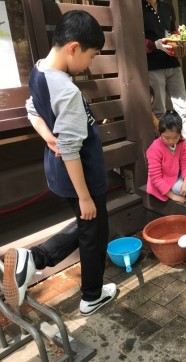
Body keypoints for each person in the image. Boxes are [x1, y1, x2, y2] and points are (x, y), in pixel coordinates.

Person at [3, 10, 117, 315]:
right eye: (91, 56)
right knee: (94, 233)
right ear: (74, 48)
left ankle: (34, 259)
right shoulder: (66, 89)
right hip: (81, 177)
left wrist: (48, 137)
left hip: (60, 174)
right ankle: (91, 296)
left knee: (87, 226)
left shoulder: (39, 70)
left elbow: (32, 109)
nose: (90, 65)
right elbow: (70, 149)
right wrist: (84, 196)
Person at [142, 0, 186, 149]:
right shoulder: (138, 8)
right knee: (159, 109)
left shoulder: (167, 6)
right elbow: (135, 39)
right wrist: (154, 45)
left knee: (182, 107)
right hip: (152, 66)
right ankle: (166, 147)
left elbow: (172, 31)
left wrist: (178, 38)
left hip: (173, 63)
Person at [146, 111, 186, 203]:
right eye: (167, 138)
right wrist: (173, 196)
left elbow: (185, 162)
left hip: (178, 173)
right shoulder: (154, 148)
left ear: (180, 133)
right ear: (159, 133)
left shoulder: (182, 142)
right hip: (168, 184)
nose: (171, 141)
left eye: (175, 137)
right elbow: (155, 178)